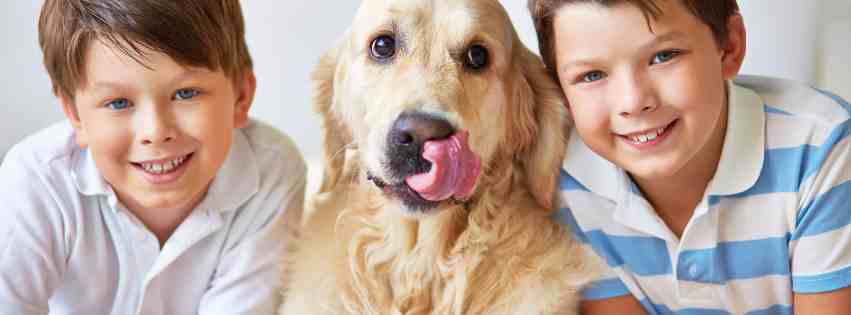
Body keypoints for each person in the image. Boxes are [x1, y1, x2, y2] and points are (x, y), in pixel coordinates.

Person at [528, 0, 851, 313]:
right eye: (592, 75)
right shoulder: (561, 177)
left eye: (663, 56)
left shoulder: (821, 146)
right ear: (559, 91)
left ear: (730, 47)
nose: (633, 101)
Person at [0, 1, 306, 313]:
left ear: (241, 95)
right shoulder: (37, 181)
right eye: (118, 102)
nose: (156, 132)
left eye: (185, 93)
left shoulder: (271, 171)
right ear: (75, 115)